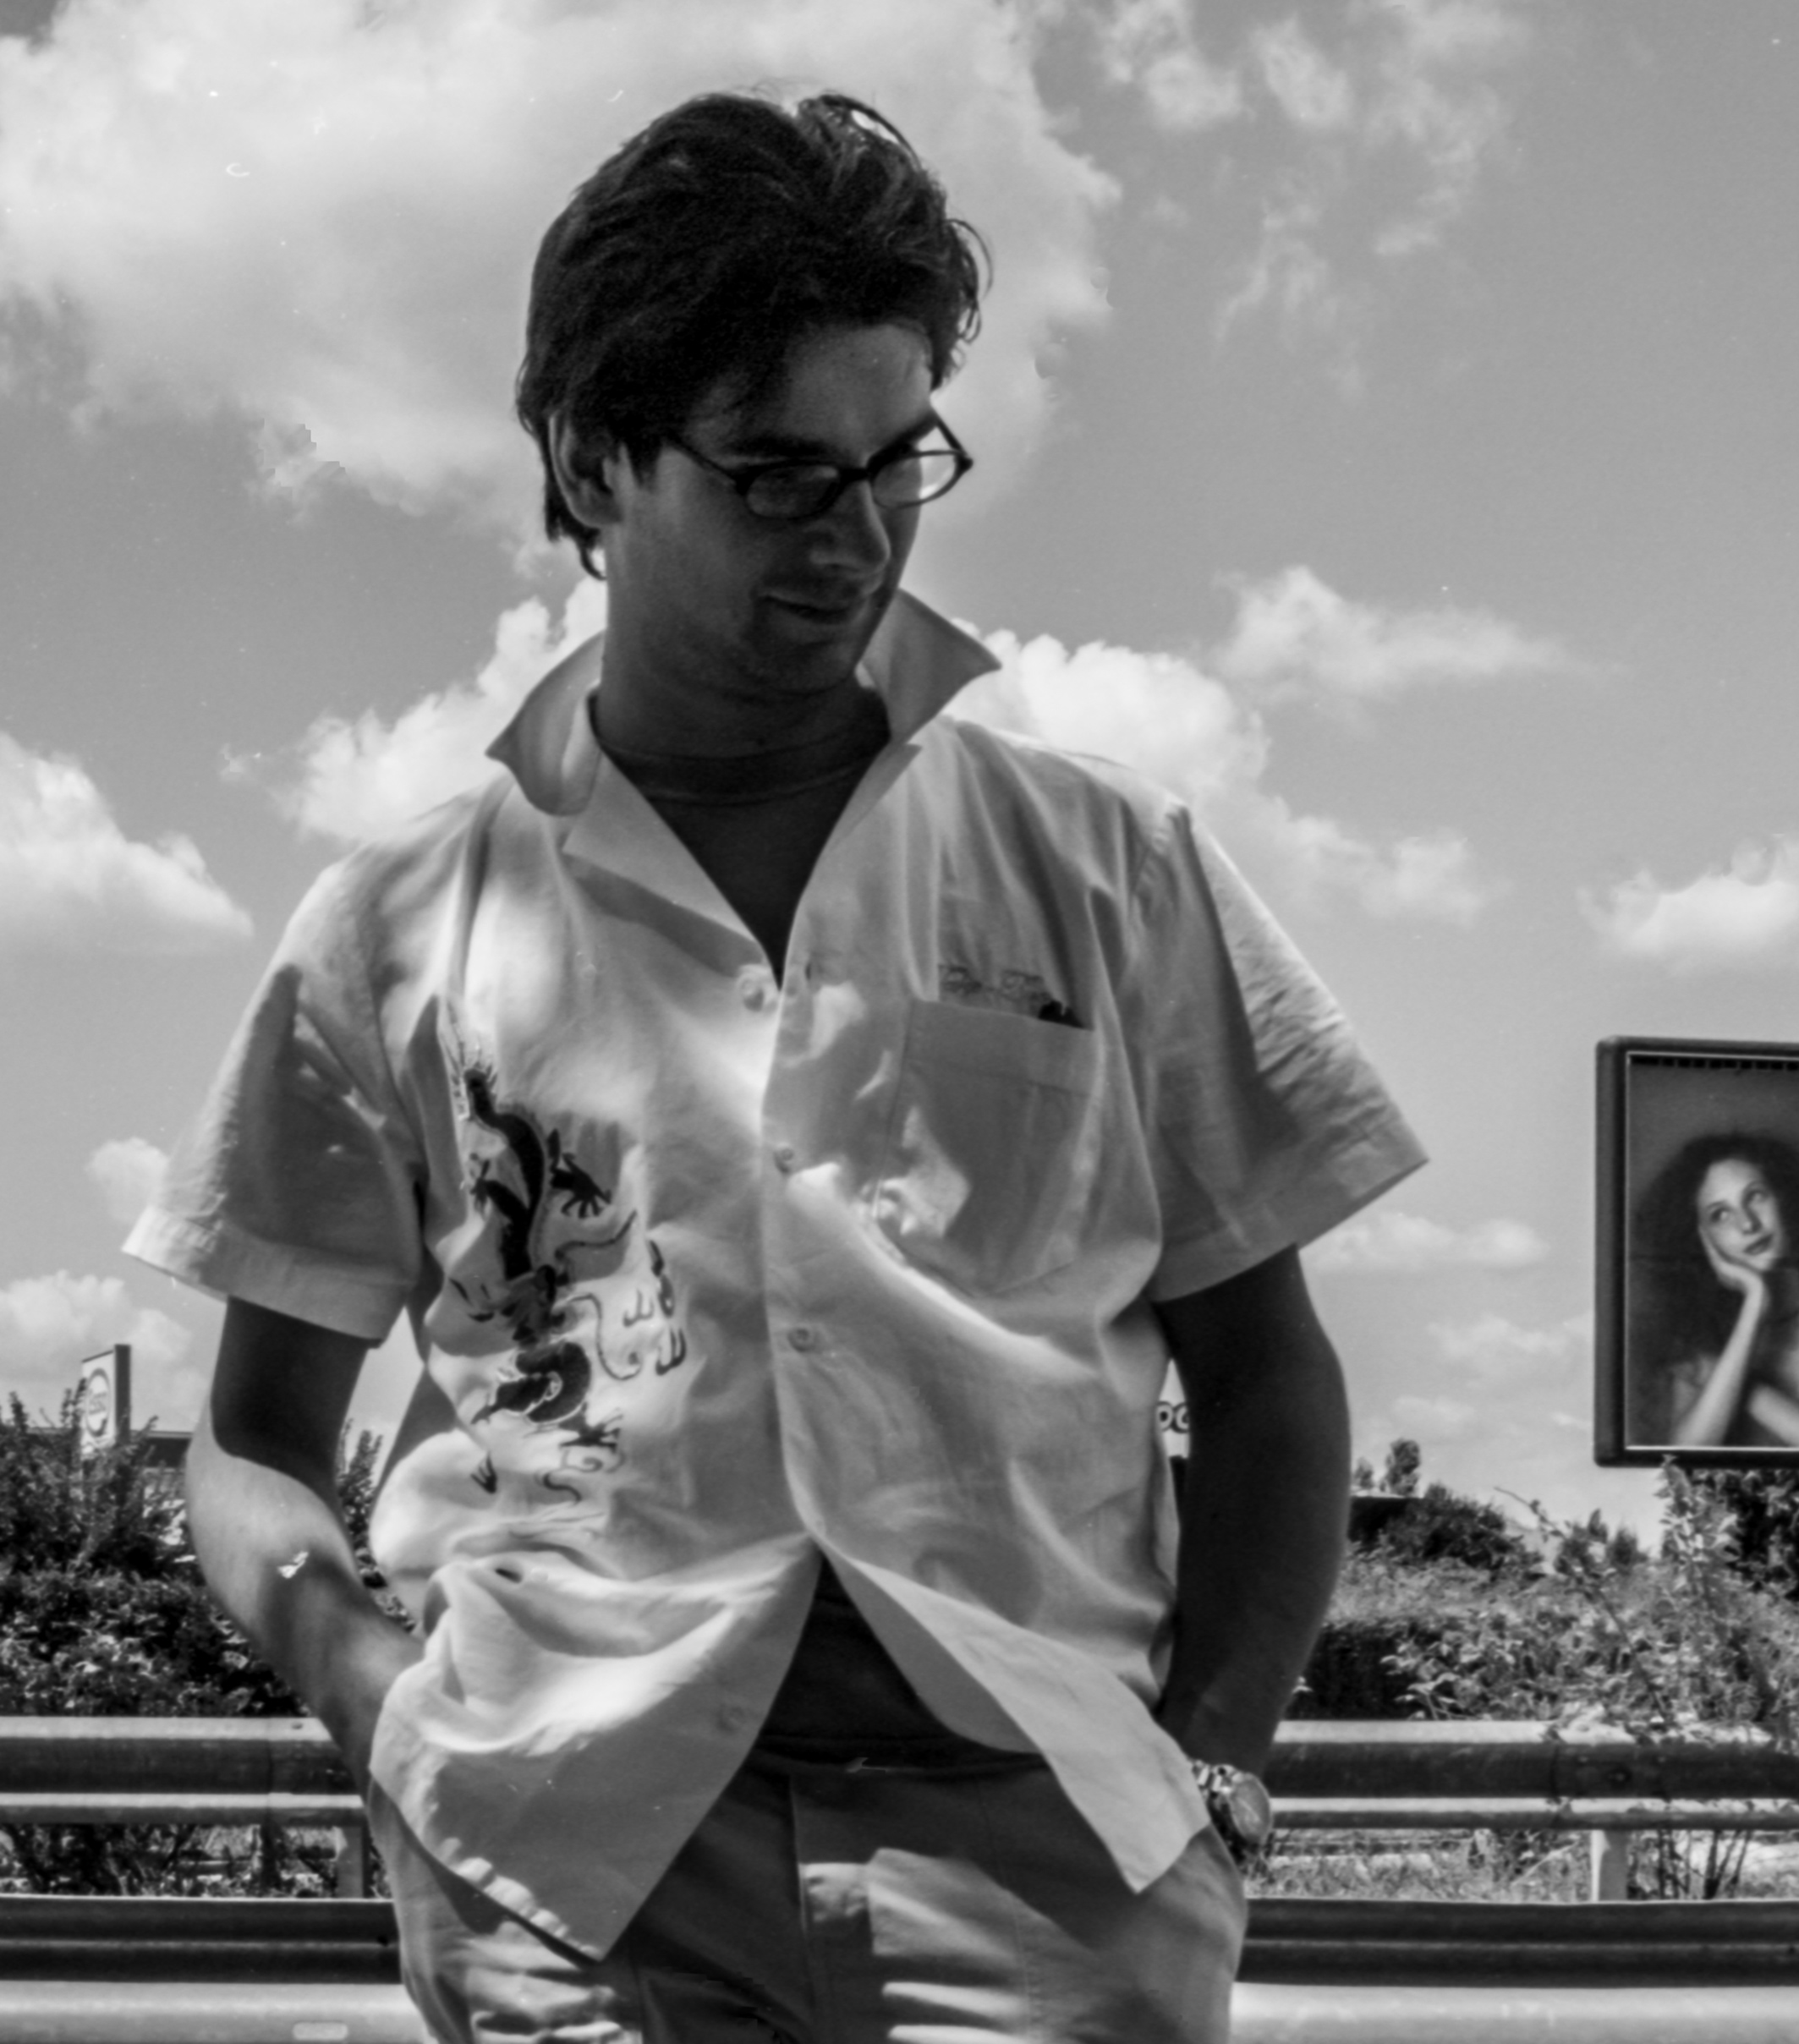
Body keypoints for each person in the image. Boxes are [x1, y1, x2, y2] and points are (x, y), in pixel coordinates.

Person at [134, 90, 1421, 2042]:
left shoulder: (1110, 867)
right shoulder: (399, 930)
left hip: (1050, 1863)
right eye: (778, 473)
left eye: (900, 459)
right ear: (592, 461)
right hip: (571, 1867)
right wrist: (388, 1713)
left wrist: (1215, 1770)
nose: (860, 533)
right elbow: (253, 1435)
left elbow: (1265, 1374)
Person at [1632, 1133, 1799, 1449]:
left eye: (1756, 1196)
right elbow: (1684, 1455)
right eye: (1720, 1215)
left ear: (1783, 1196)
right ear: (1701, 1239)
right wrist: (1755, 1301)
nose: (1748, 1224)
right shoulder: (1696, 1324)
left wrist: (1728, 1378)